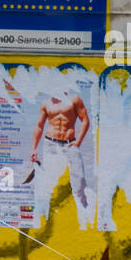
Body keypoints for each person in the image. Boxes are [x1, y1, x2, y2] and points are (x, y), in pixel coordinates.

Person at [27, 88, 91, 221]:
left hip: (70, 144)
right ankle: (42, 217)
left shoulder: (74, 99)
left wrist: (78, 141)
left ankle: (85, 215)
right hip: (50, 144)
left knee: (78, 182)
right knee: (47, 183)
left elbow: (85, 120)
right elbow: (39, 126)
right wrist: (34, 148)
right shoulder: (46, 103)